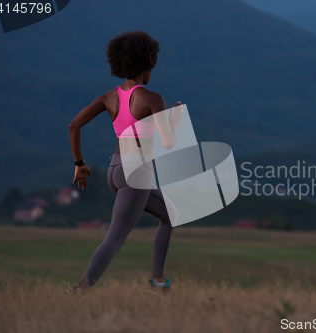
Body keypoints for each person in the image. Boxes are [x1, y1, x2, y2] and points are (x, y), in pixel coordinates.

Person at [66, 30, 183, 294]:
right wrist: (174, 122)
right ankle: (81, 290)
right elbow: (168, 143)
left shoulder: (108, 97)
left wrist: (79, 163)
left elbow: (74, 125)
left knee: (170, 215)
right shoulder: (153, 98)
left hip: (115, 170)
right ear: (147, 64)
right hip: (137, 172)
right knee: (115, 238)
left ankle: (159, 283)